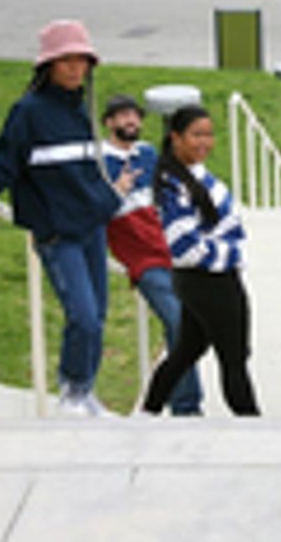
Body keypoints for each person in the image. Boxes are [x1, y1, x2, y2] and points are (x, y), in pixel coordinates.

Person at [0, 19, 120, 417]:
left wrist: (105, 201)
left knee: (99, 316)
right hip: (58, 234)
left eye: (82, 60)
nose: (76, 69)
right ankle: (73, 392)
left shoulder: (81, 109)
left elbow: (86, 169)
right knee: (84, 317)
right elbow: (3, 164)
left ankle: (85, 391)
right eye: (67, 61)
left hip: (92, 227)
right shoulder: (28, 112)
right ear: (49, 66)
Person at [139, 104, 260, 416]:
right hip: (209, 280)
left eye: (208, 134)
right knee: (234, 357)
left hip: (204, 278)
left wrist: (228, 245)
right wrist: (230, 253)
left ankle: (148, 411)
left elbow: (231, 227)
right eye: (196, 135)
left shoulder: (193, 175)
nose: (204, 142)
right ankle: (253, 426)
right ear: (175, 138)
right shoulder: (170, 183)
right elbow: (184, 245)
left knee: (187, 350)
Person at [100, 93, 203, 417]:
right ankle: (186, 406)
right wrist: (116, 190)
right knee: (179, 321)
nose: (131, 121)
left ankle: (179, 401)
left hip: (173, 250)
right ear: (109, 123)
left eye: (135, 116)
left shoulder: (147, 153)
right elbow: (91, 210)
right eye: (123, 116)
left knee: (191, 324)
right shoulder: (99, 162)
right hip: (142, 259)